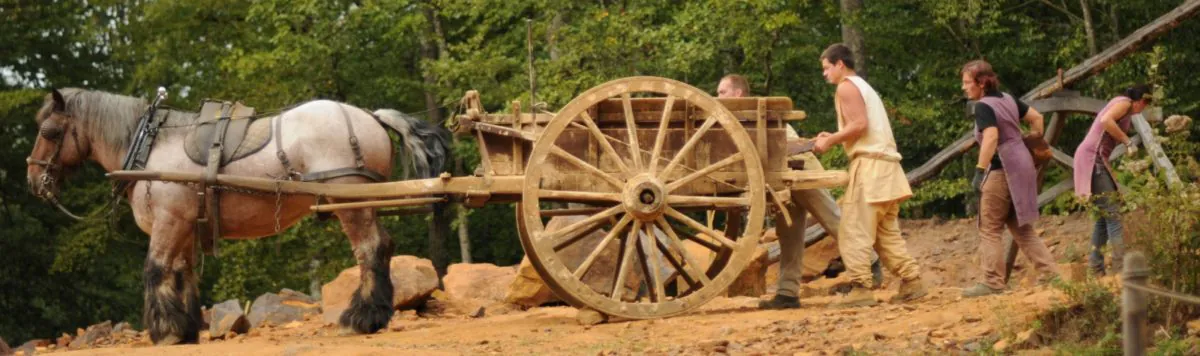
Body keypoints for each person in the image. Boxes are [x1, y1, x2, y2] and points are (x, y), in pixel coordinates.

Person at [715, 74, 882, 310]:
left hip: (798, 162)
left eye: (722, 92)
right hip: (780, 173)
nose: (717, 97)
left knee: (831, 217)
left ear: (738, 94)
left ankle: (870, 262)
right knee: (789, 232)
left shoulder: (752, 111)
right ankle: (787, 292)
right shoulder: (735, 117)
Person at [811, 44, 926, 307]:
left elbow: (859, 125)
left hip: (871, 167)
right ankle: (912, 281)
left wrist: (830, 142)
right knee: (885, 233)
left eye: (827, 68)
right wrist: (834, 136)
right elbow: (862, 124)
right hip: (886, 167)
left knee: (853, 229)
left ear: (840, 64)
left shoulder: (846, 86)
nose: (825, 74)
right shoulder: (862, 86)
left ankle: (861, 288)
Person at [959, 60, 1061, 297]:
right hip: (1023, 165)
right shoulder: (1008, 98)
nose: (964, 88)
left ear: (981, 83)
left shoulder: (983, 106)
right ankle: (1052, 276)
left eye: (966, 83)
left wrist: (979, 170)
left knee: (990, 227)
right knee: (1022, 227)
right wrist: (1031, 141)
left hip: (1001, 168)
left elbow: (992, 137)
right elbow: (1037, 118)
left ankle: (992, 282)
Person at [1073, 84, 1151, 276]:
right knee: (1113, 215)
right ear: (1140, 100)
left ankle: (1095, 267)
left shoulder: (1124, 107)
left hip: (1096, 159)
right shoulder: (1124, 103)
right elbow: (1106, 120)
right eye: (1146, 103)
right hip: (1092, 159)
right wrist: (1128, 141)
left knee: (1103, 217)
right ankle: (1119, 270)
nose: (1145, 107)